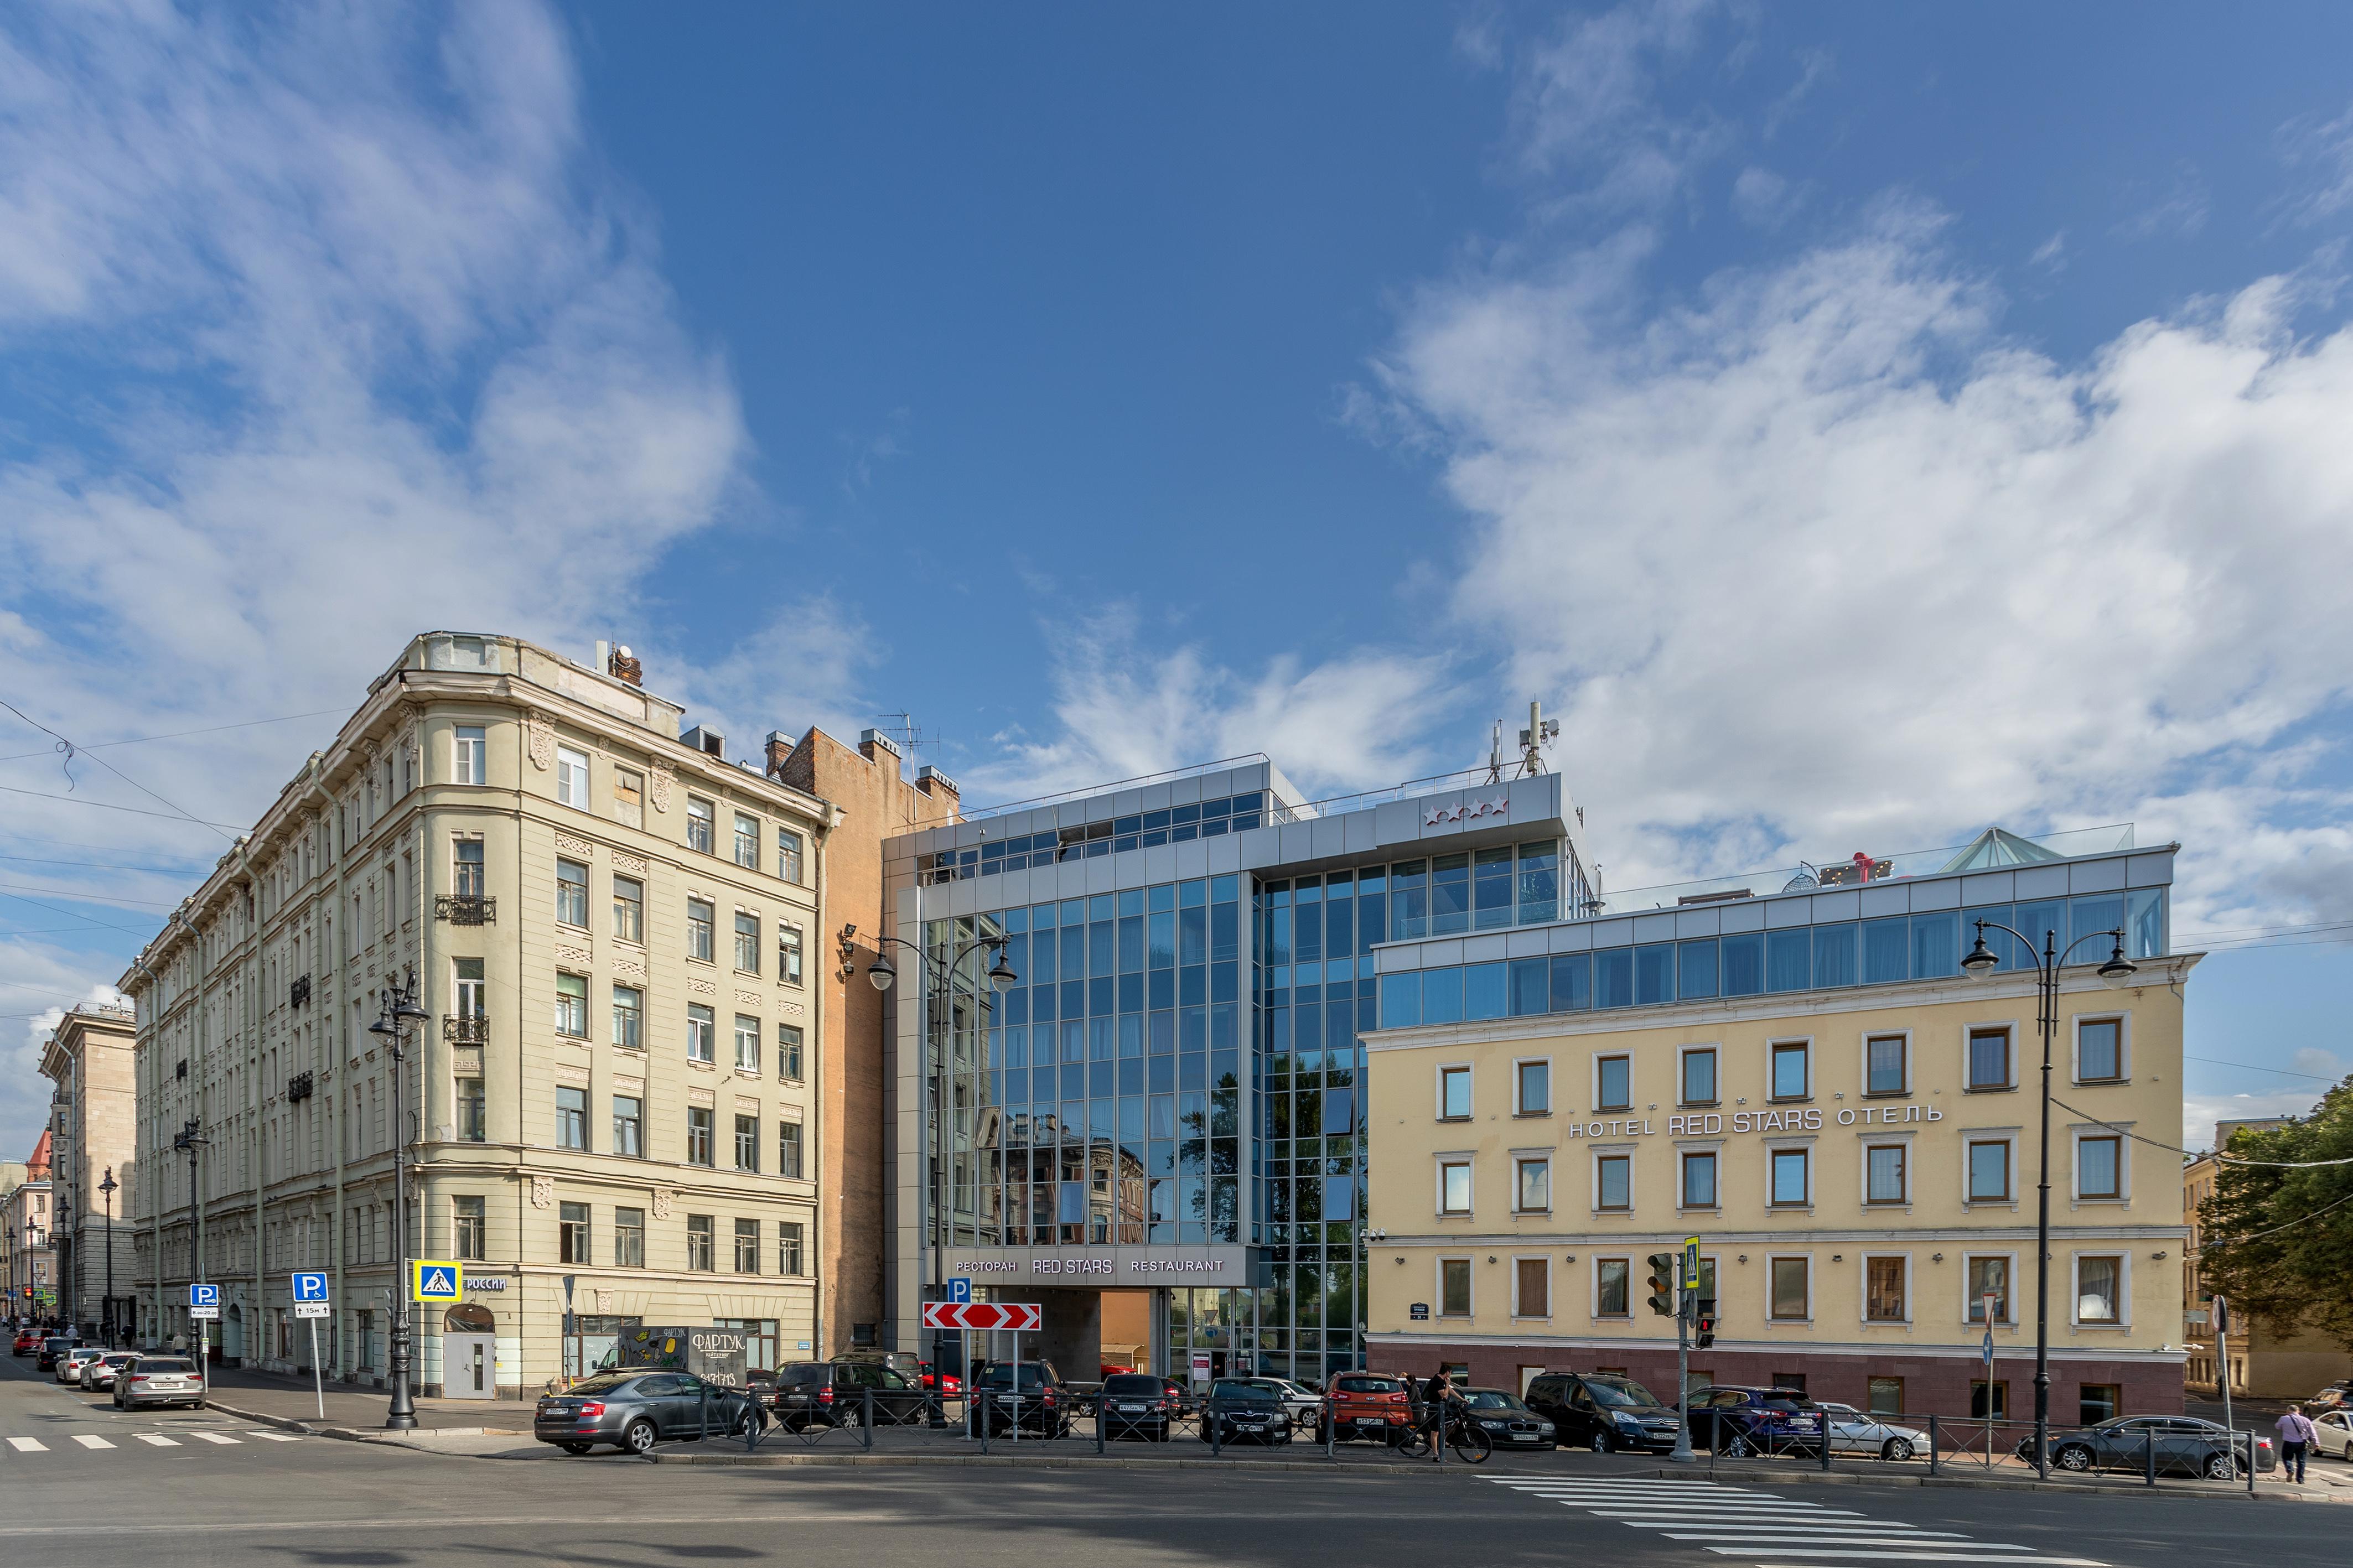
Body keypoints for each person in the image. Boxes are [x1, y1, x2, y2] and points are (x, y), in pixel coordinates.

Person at [2275, 1403, 2318, 1483]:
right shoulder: (2305, 1420)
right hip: (2302, 1443)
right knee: (2301, 1461)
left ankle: (2290, 1469)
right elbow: (2312, 1432)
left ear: (2288, 1411)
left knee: (2286, 1458)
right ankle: (2300, 1479)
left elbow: (2277, 1427)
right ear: (2298, 1411)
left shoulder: (2284, 1419)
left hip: (2289, 1443)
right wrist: (2316, 1443)